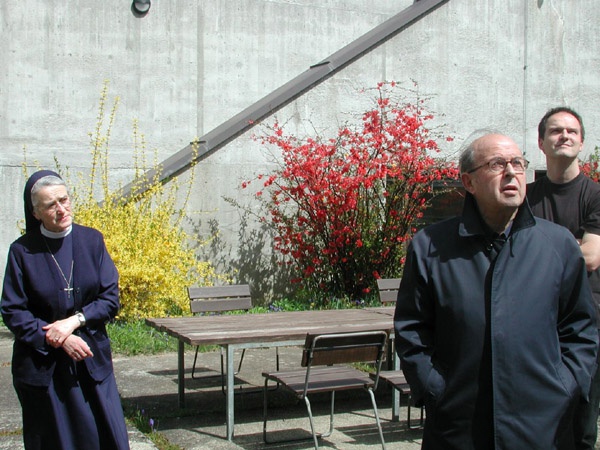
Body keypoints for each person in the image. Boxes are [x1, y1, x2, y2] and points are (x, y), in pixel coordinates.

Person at [394, 132, 598, 449]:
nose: (511, 172)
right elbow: (412, 330)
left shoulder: (557, 245)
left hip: (542, 426)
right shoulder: (431, 247)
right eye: (497, 164)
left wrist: (566, 384)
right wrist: (435, 388)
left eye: (518, 163)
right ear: (469, 182)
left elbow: (580, 328)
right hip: (459, 425)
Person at [1, 170, 130, 450]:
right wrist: (57, 337)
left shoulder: (92, 241)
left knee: (103, 437)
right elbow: (13, 310)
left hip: (90, 359)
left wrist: (74, 322)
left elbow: (110, 298)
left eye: (64, 200)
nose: (61, 209)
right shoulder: (22, 252)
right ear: (35, 213)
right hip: (43, 365)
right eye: (51, 205)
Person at [527, 106, 600, 450]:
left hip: (584, 324)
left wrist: (538, 247)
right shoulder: (526, 196)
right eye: (556, 130)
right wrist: (570, 244)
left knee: (582, 423)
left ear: (581, 142)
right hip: (534, 319)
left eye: (572, 131)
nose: (564, 136)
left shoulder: (596, 196)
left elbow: (591, 257)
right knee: (535, 417)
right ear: (541, 142)